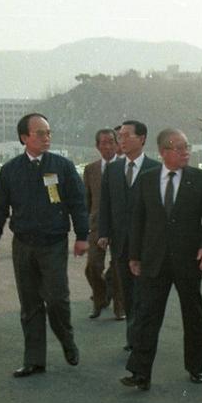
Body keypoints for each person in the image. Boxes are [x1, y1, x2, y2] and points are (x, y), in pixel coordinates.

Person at [0, 113, 89, 377]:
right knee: (29, 304)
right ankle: (34, 359)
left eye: (48, 132)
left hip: (53, 243)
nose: (46, 138)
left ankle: (66, 340)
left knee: (56, 300)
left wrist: (82, 236)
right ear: (24, 138)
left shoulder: (62, 167)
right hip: (23, 245)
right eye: (40, 133)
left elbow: (78, 203)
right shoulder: (10, 171)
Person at [120, 128, 202, 390]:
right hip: (154, 259)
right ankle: (140, 372)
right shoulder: (147, 179)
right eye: (179, 147)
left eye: (187, 147)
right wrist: (134, 255)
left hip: (189, 259)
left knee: (193, 315)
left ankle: (196, 366)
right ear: (164, 152)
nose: (186, 152)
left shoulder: (200, 180)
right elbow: (138, 219)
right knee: (147, 316)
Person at [98, 120, 159, 351]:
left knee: (146, 293)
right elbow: (105, 204)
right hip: (121, 244)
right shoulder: (113, 169)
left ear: (142, 138)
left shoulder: (155, 168)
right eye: (119, 137)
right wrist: (104, 233)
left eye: (126, 136)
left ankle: (143, 336)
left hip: (147, 244)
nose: (120, 141)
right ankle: (133, 337)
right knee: (128, 293)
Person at [83, 128, 124, 319]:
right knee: (92, 266)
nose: (107, 146)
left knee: (118, 268)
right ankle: (100, 298)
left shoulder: (125, 167)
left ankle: (120, 307)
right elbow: (87, 200)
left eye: (111, 142)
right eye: (103, 142)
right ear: (97, 146)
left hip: (120, 225)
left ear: (117, 144)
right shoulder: (90, 169)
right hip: (97, 225)